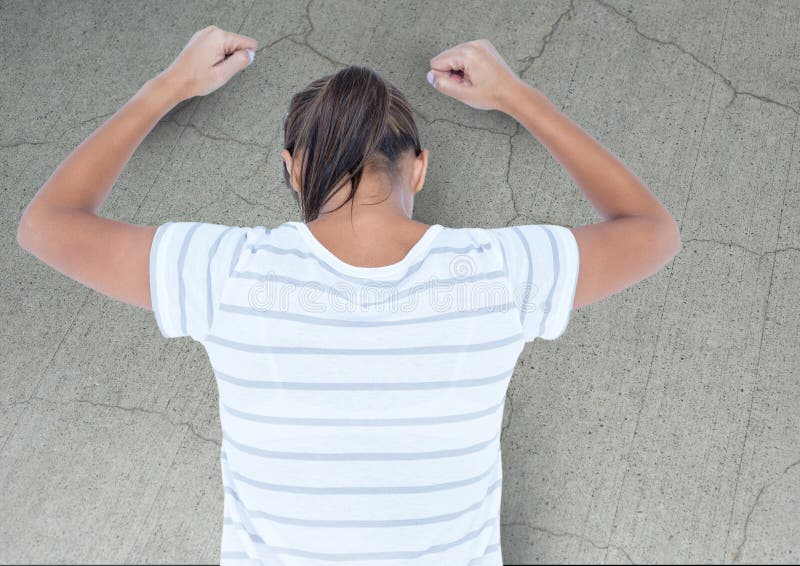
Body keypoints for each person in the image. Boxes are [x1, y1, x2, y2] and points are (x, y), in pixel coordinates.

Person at [16, 25, 681, 566]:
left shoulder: (226, 273)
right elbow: (651, 233)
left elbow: (48, 225)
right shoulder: (497, 275)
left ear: (293, 166)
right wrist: (517, 96)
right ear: (419, 164)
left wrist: (168, 87)